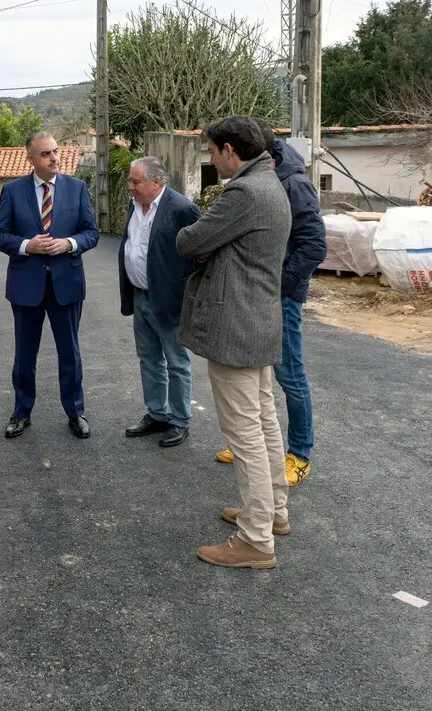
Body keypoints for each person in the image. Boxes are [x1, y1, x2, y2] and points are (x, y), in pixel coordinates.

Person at [176, 116, 292, 570]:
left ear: (229, 150)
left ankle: (256, 539)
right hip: (258, 320)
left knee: (245, 433)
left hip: (236, 327)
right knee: (263, 422)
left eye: (211, 151)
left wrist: (206, 243)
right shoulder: (271, 183)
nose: (210, 159)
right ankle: (273, 512)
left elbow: (191, 240)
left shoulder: (243, 192)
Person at [213, 119, 327, 487]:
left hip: (280, 298)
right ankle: (256, 445)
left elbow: (314, 246)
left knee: (290, 375)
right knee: (257, 377)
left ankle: (299, 454)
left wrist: (278, 287)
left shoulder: (293, 184)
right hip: (257, 297)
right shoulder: (259, 179)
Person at [0, 132, 100, 439]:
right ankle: (21, 412)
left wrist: (68, 243)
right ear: (31, 159)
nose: (54, 157)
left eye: (55, 151)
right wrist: (28, 245)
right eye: (46, 154)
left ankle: (76, 412)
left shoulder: (77, 188)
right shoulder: (12, 191)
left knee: (70, 353)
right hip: (26, 286)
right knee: (24, 354)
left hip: (66, 284)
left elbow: (91, 233)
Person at [118, 156, 201, 448]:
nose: (130, 186)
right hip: (140, 297)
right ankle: (157, 413)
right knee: (149, 360)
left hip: (169, 301)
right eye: (130, 180)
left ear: (156, 182)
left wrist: (188, 296)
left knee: (176, 363)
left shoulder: (181, 208)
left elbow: (200, 253)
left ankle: (179, 420)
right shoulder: (134, 205)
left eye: (135, 181)